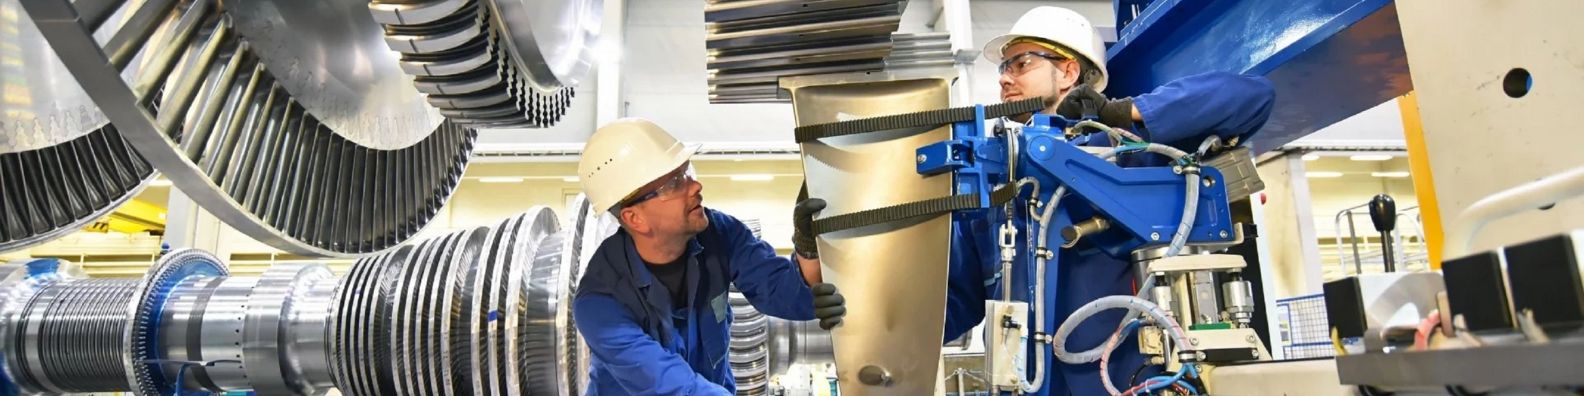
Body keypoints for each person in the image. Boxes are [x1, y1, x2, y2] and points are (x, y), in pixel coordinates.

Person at [941, 6, 1276, 395]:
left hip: (1127, 381)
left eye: (1020, 63)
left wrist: (1128, 113)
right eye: (1004, 68)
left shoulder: (1126, 151)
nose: (1004, 78)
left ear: (1067, 72)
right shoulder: (998, 189)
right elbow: (952, 307)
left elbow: (1253, 96)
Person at [572, 118, 847, 395]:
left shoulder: (719, 234)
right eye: (674, 183)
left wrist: (808, 247)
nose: (695, 186)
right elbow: (670, 386)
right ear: (635, 218)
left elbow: (782, 294)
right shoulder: (599, 303)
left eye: (687, 172)